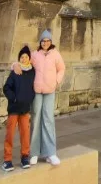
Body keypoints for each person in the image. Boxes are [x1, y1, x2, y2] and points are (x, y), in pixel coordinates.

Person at [28, 30, 63, 166]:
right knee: (36, 119)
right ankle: (34, 152)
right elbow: (24, 63)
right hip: (36, 91)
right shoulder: (34, 55)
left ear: (50, 42)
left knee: (48, 119)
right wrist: (15, 65)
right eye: (43, 41)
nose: (45, 43)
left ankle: (50, 153)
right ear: (40, 42)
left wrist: (56, 81)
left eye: (48, 41)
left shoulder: (55, 54)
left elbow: (61, 69)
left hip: (49, 91)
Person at [2, 46, 36, 171]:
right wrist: (14, 98)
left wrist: (29, 98)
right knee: (10, 134)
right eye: (22, 57)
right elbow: (6, 88)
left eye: (26, 56)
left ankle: (25, 157)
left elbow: (33, 87)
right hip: (14, 108)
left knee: (25, 134)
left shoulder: (32, 72)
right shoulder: (15, 71)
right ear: (19, 59)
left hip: (25, 109)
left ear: (29, 58)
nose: (24, 58)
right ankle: (7, 160)